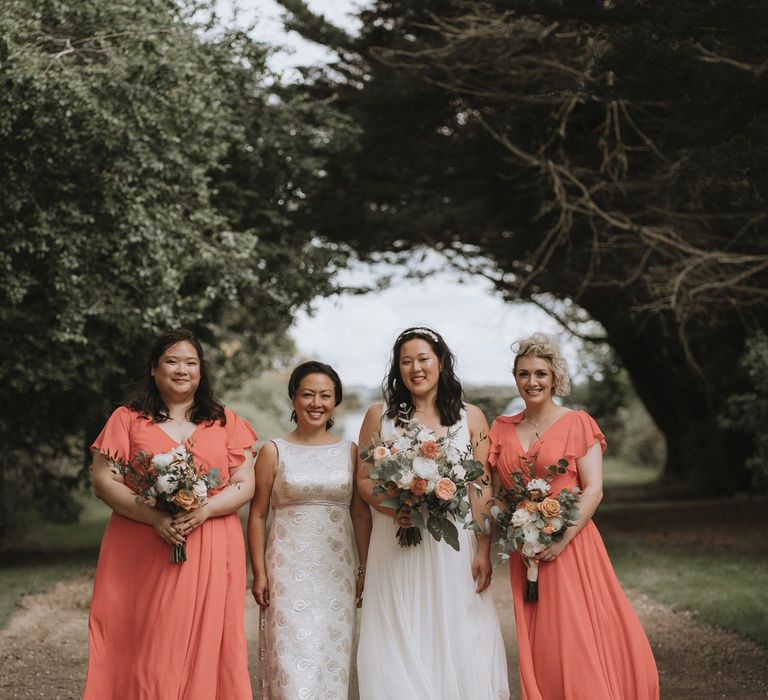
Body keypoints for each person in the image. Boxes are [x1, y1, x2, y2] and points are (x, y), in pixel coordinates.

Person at [84, 329, 256, 700]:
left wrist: (205, 509)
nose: (182, 370)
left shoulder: (225, 421)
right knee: (147, 638)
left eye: (191, 363)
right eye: (172, 361)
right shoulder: (126, 419)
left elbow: (244, 484)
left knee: (207, 639)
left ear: (201, 371)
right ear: (153, 369)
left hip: (210, 542)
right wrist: (153, 519)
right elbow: (104, 480)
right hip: (142, 542)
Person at [488, 333, 659, 700]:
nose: (531, 382)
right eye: (523, 373)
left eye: (540, 373)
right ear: (515, 377)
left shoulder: (577, 422)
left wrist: (560, 538)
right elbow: (497, 494)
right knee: (541, 637)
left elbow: (593, 488)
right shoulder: (501, 429)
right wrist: (516, 529)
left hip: (572, 546)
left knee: (577, 631)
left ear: (554, 377)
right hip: (527, 552)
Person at [356, 327, 509, 700]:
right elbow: (362, 480)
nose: (415, 368)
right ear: (398, 369)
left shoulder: (472, 418)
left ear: (440, 362)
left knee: (458, 630)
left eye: (423, 359)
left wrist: (484, 547)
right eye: (406, 361)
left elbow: (482, 487)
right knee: (396, 633)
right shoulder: (379, 417)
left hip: (452, 548)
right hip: (395, 543)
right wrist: (395, 506)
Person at [248, 361, 372, 699]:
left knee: (330, 658)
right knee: (290, 660)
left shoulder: (350, 451)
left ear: (335, 402)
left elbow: (361, 515)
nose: (316, 403)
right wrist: (259, 573)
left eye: (325, 395)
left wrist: (364, 569)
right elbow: (257, 515)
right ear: (293, 398)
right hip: (287, 572)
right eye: (308, 394)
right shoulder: (273, 451)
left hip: (337, 573)